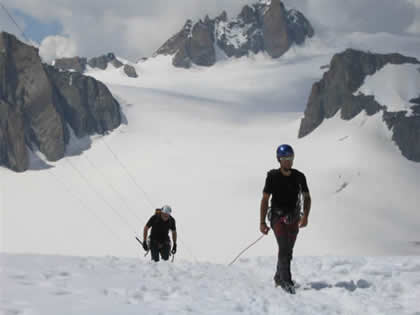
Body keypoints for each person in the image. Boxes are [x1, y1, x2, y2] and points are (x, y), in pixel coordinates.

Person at [260, 144, 311, 294]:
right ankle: (286, 281)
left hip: (294, 217)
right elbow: (265, 199)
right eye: (285, 159)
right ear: (279, 160)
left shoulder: (299, 176)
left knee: (288, 249)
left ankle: (278, 276)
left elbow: (307, 197)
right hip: (277, 217)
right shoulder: (272, 176)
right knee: (284, 248)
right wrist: (262, 222)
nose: (288, 161)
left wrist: (306, 216)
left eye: (290, 158)